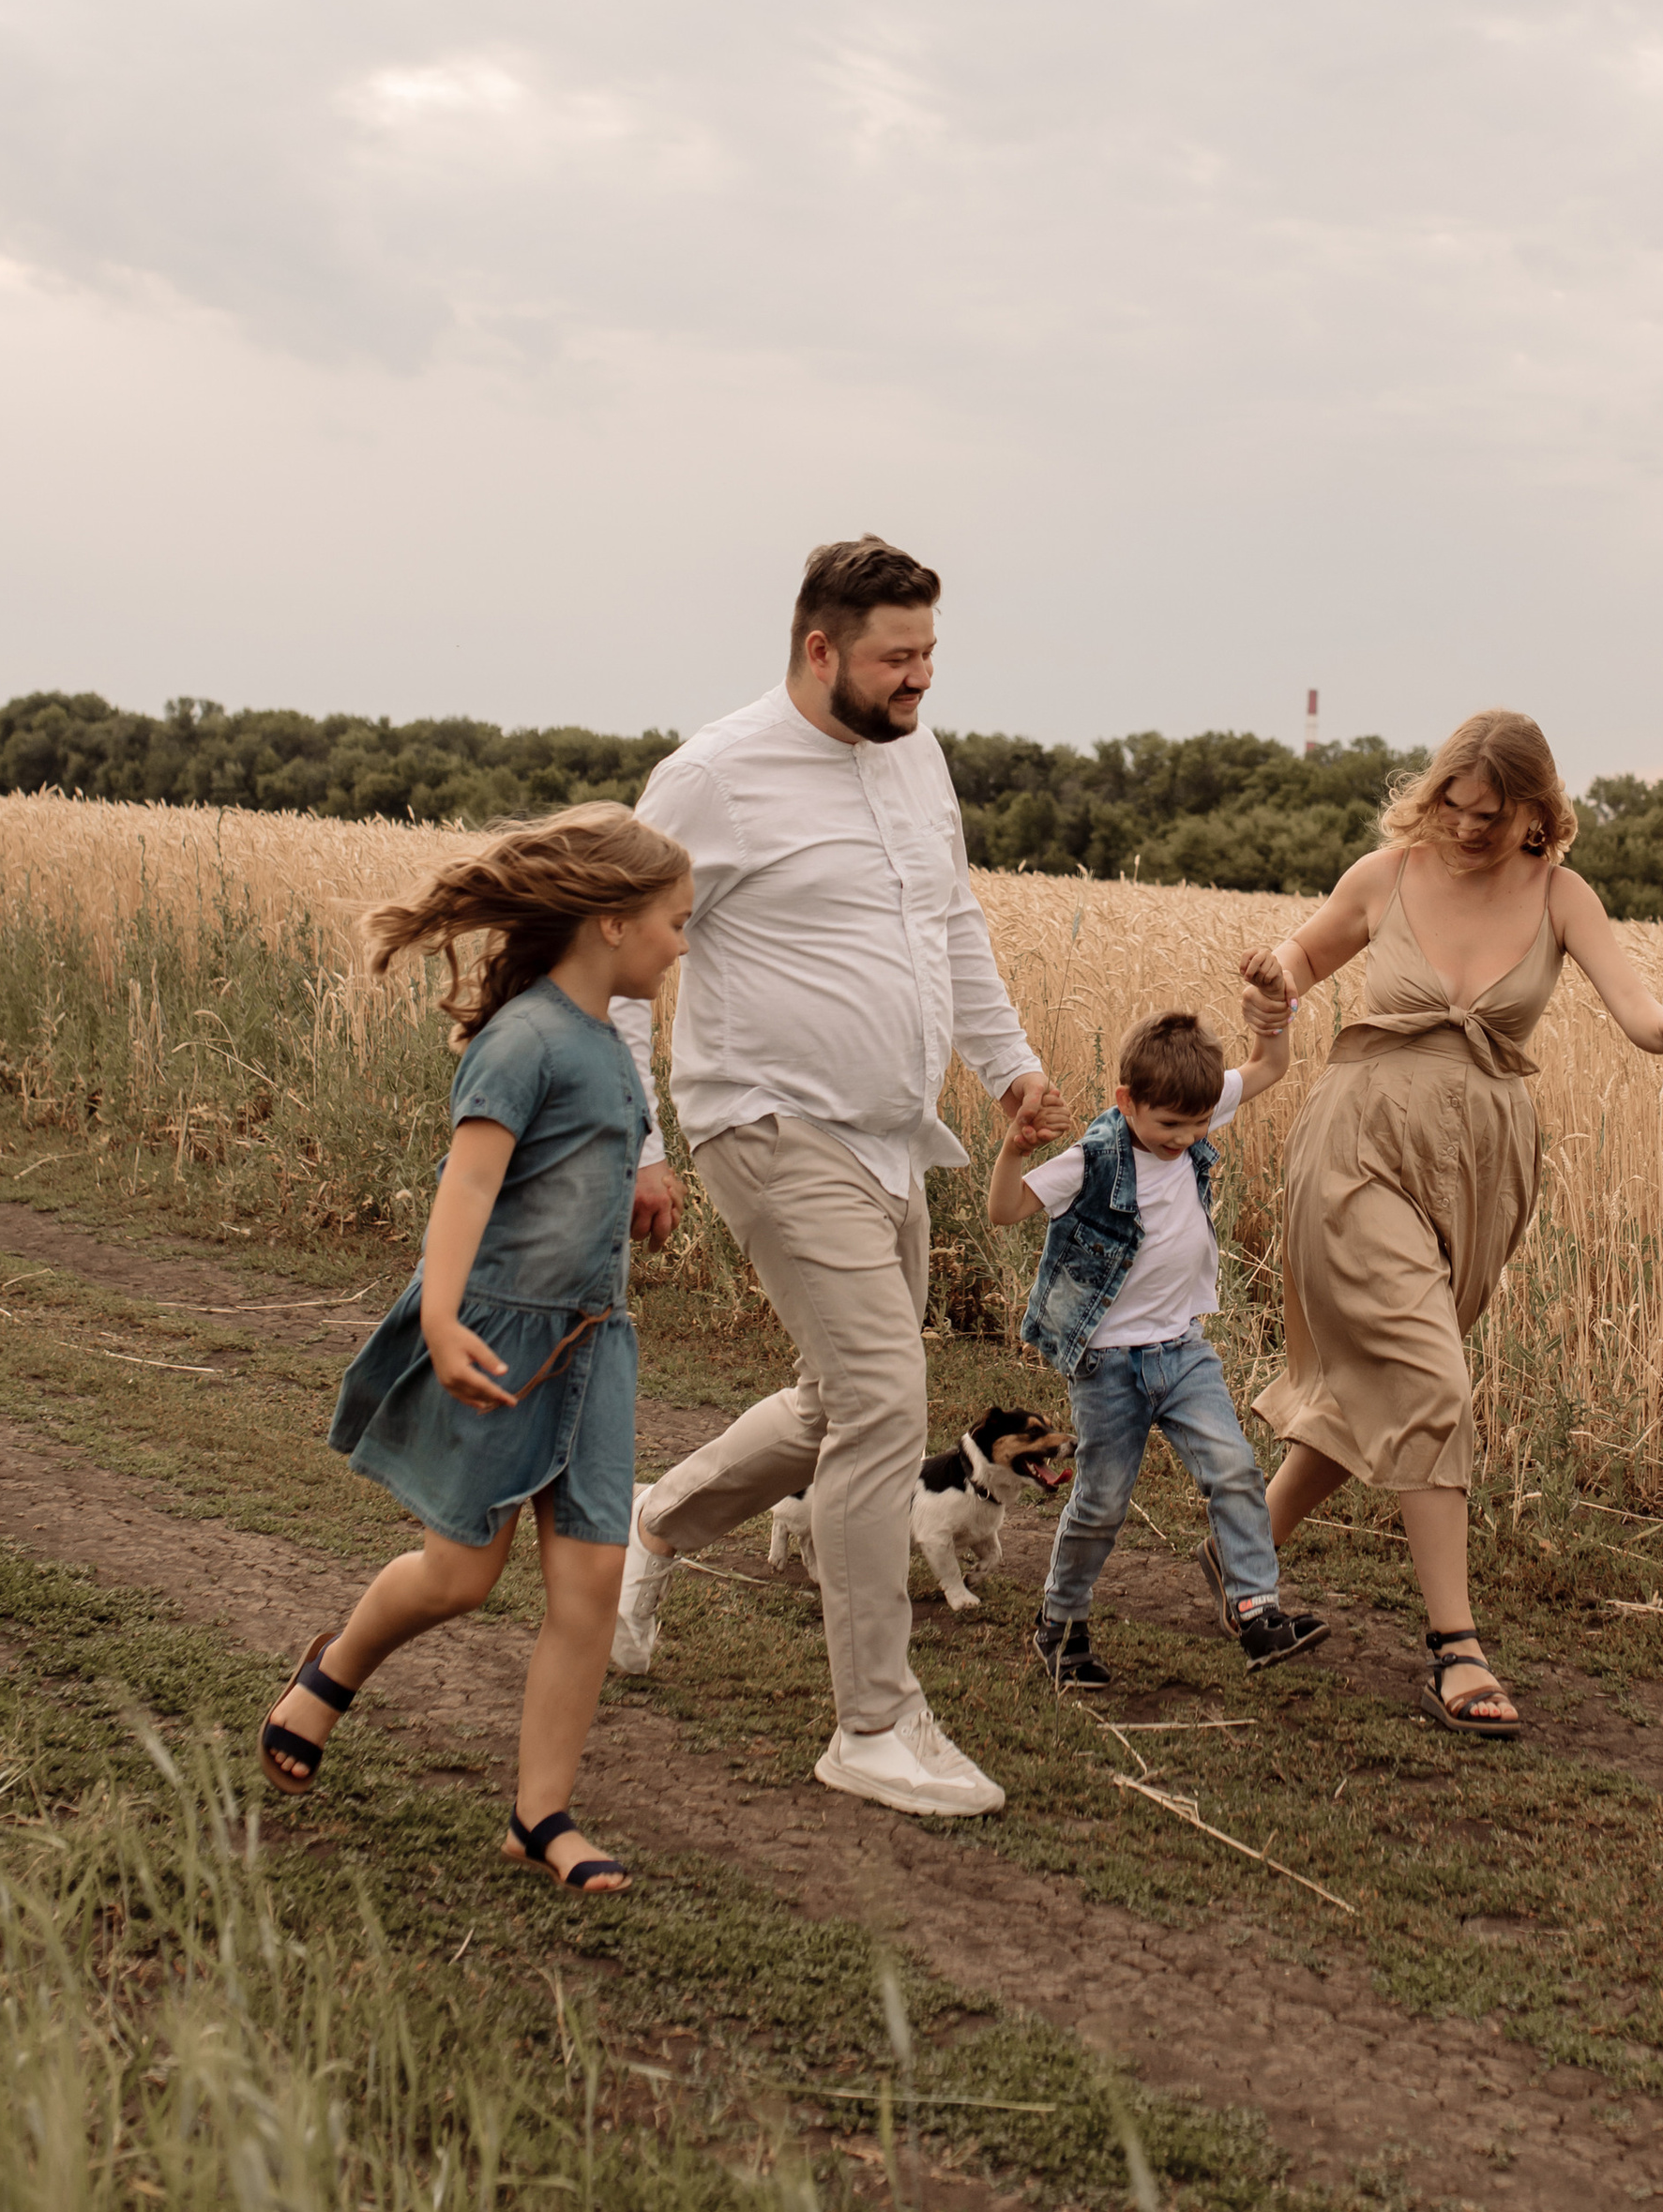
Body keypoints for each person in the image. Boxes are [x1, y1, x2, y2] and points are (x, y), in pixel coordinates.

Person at [606, 535, 1071, 1820]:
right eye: (896, 658)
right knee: (882, 1399)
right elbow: (615, 944)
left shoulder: (916, 756)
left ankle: (655, 1523)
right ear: (821, 649)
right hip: (767, 1124)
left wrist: (1009, 1064)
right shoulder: (713, 778)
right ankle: (872, 1722)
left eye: (931, 654)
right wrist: (640, 1143)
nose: (921, 680)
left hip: (889, 1136)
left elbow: (952, 920)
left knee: (845, 1401)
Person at [1240, 710, 1663, 1739]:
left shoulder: (1561, 896)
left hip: (1478, 1168)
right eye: (1452, 808)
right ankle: (1456, 1648)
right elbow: (1301, 956)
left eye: (1490, 816)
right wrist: (1270, 976)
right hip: (1358, 1144)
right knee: (1430, 1377)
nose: (1464, 830)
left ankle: (1244, 1545)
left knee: (1397, 1379)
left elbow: (1636, 1012)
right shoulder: (1386, 873)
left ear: (1537, 812)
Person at [259, 807, 694, 1892]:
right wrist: (442, 1318)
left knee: (591, 1580)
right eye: (673, 924)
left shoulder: (606, 1047)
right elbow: (469, 1184)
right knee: (459, 1576)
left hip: (597, 1345)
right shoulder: (526, 1039)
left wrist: (637, 1186)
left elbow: (586, 1158)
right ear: (608, 924)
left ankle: (540, 1815)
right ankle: (333, 1668)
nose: (682, 944)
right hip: (500, 1336)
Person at [990, 1005, 1327, 1692]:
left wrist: (1276, 1012)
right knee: (1101, 1503)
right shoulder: (1093, 1158)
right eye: (1171, 1125)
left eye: (1199, 1124)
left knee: (1233, 1471)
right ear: (1128, 1102)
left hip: (1183, 1353)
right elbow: (1005, 1210)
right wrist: (1015, 1148)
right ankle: (1061, 1624)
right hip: (1108, 1367)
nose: (1187, 1138)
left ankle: (1257, 1609)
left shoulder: (1192, 1104)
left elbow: (1270, 1065)